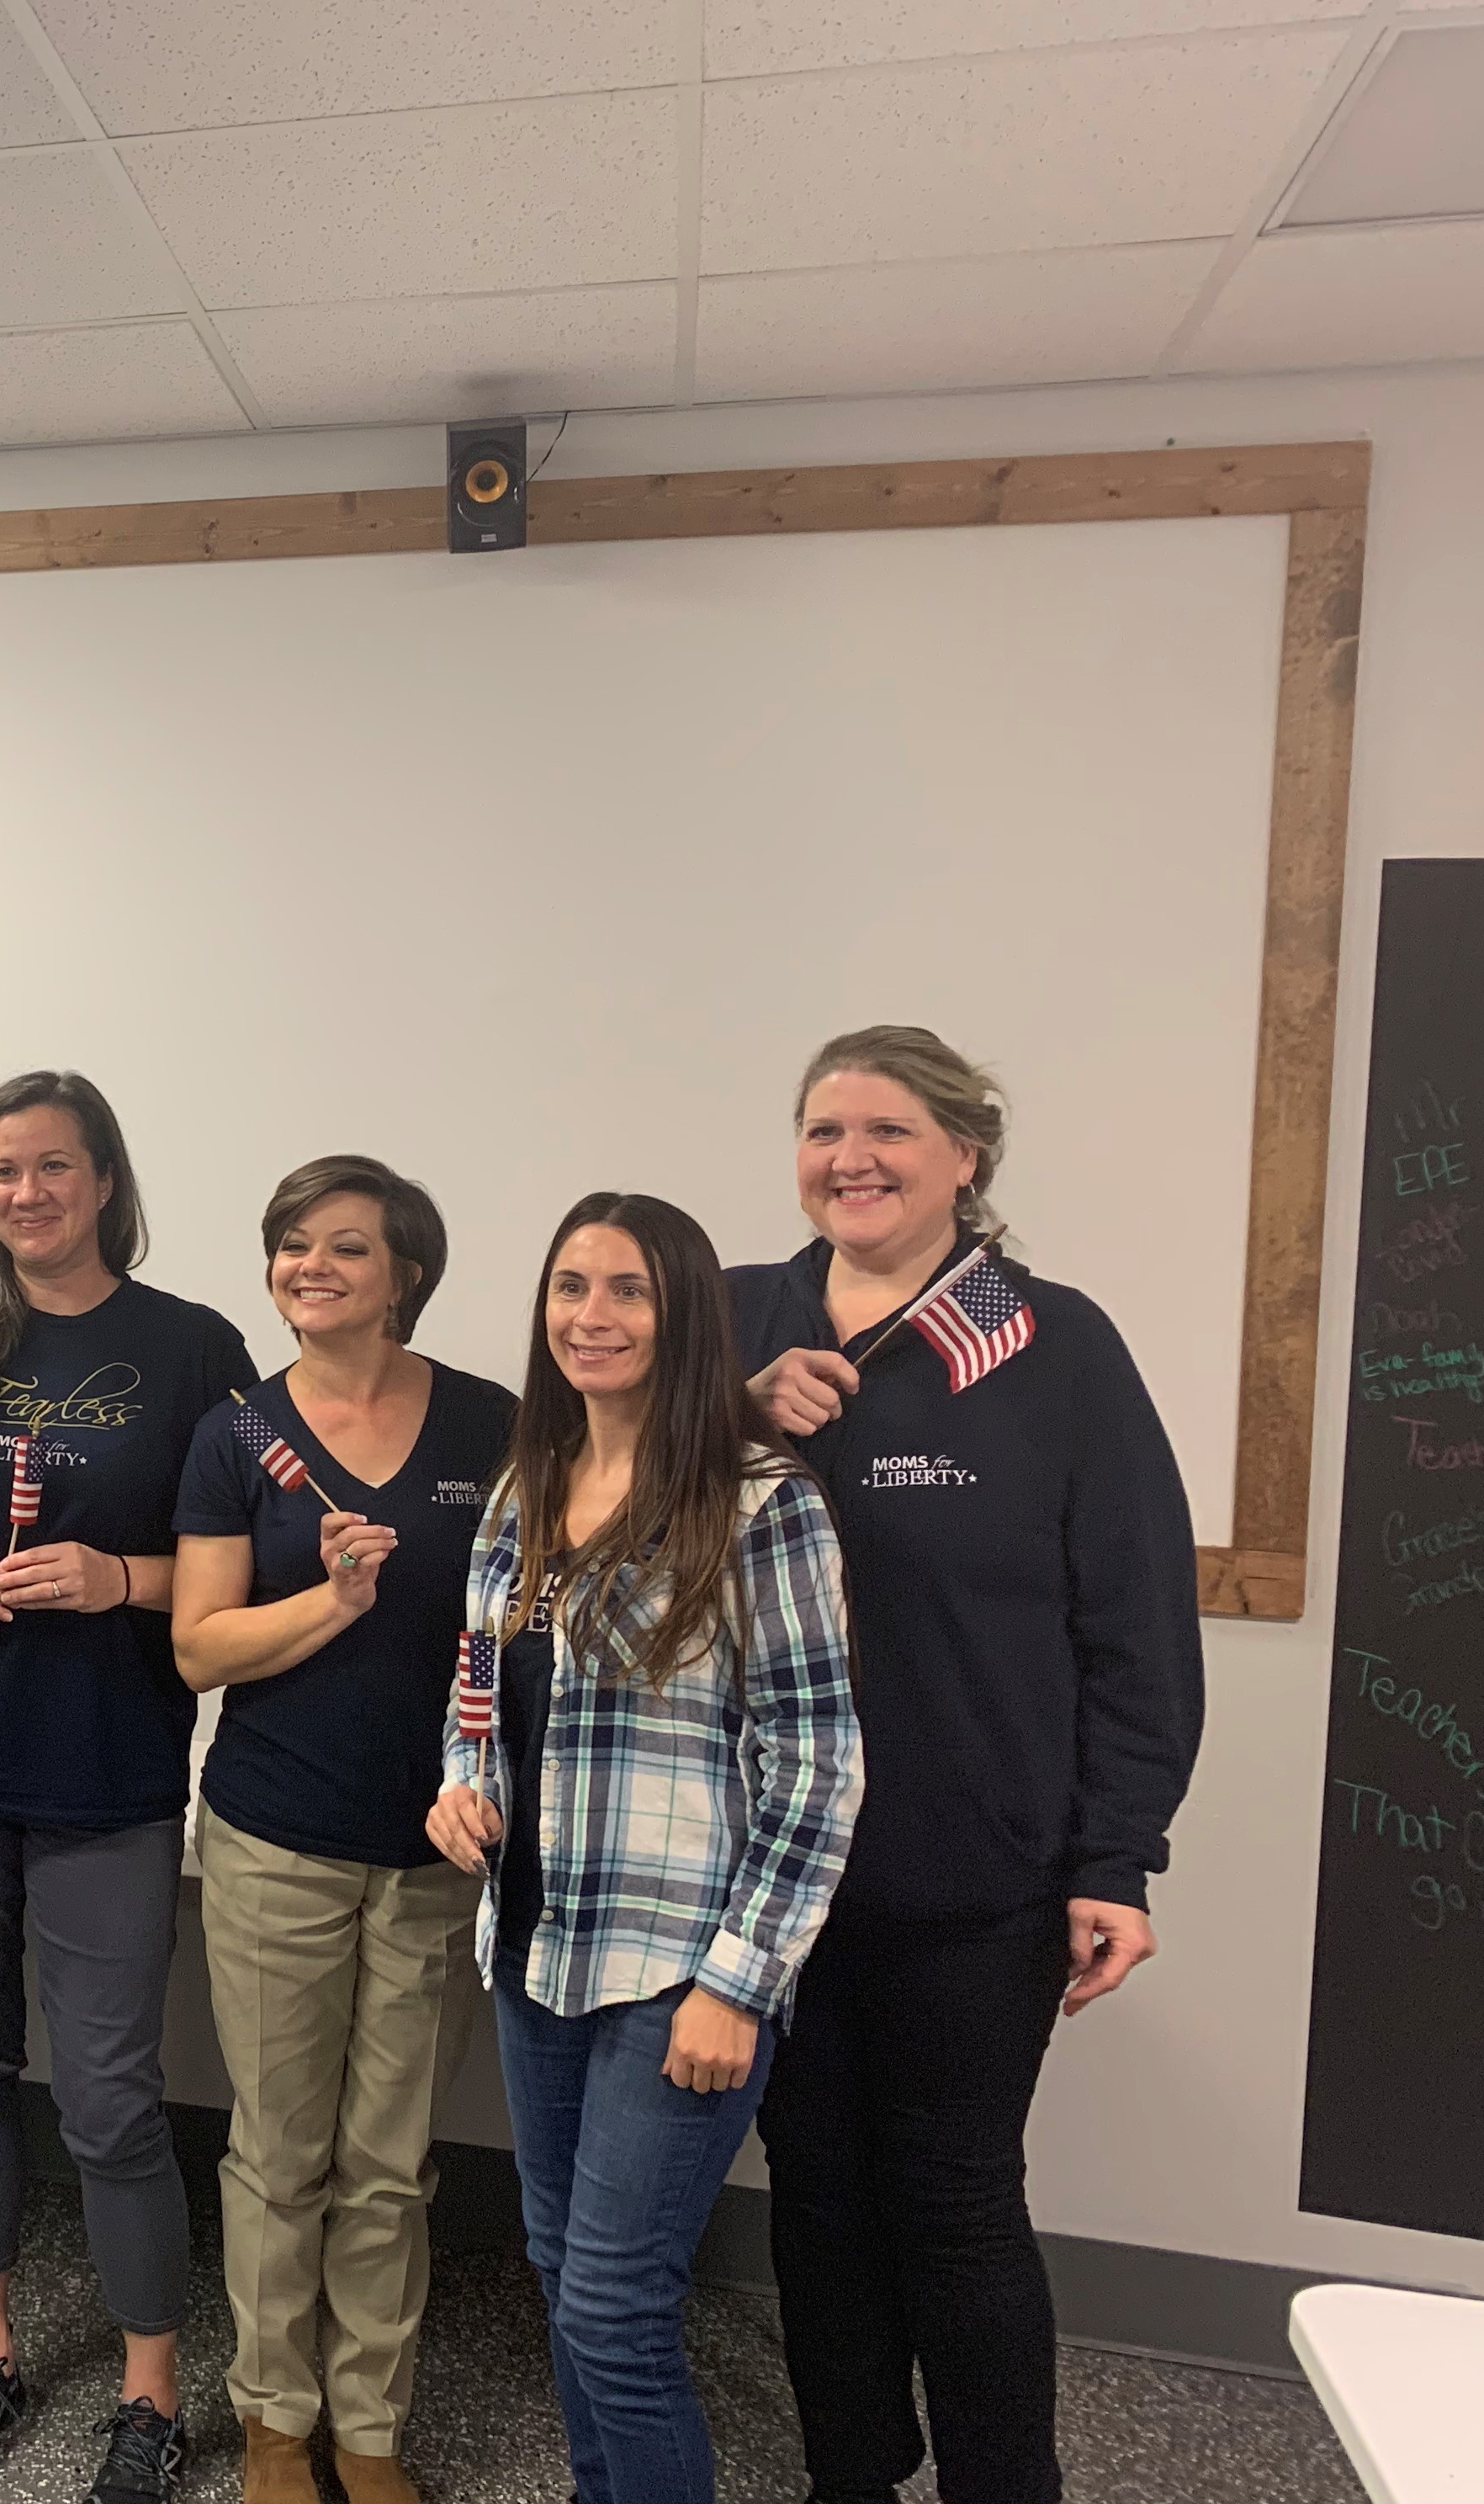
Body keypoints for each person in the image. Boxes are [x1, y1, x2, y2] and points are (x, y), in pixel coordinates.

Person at [731, 1027, 1202, 2504]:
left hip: (974, 1872)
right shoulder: (730, 1319)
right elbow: (586, 1493)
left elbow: (1136, 1620)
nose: (851, 1159)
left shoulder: (1052, 1345)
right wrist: (729, 1414)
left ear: (965, 1156)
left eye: (889, 1130)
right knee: (814, 2195)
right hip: (768, 1872)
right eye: (824, 1130)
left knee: (956, 2204)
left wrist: (1116, 1854)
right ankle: (852, 2473)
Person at [0, 1070, 257, 2504]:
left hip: (106, 1767)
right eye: (3, 1170)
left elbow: (238, 1557)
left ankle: (151, 2392)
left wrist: (117, 1579)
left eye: (53, 1167)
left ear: (104, 1182)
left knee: (111, 2098)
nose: (26, 1193)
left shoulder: (192, 1347)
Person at [427, 1191, 861, 2504]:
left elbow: (819, 1763)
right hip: (538, 1943)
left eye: (628, 1290)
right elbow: (478, 1684)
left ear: (685, 1319)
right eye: (571, 1286)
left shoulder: (759, 1501)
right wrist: (461, 1787)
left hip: (680, 1967)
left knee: (616, 2309)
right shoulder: (527, 1485)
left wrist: (741, 1982)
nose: (592, 1316)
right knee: (564, 2272)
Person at [172, 1158, 515, 2504]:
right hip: (276, 1840)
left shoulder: (491, 1426)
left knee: (388, 2165)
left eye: (345, 1247)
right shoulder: (237, 1435)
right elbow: (200, 1648)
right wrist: (331, 1604)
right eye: (291, 1244)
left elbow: (530, 1618)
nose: (310, 1267)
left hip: (437, 1851)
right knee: (278, 2155)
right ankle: (274, 2420)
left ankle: (368, 2428)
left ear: (406, 1274)